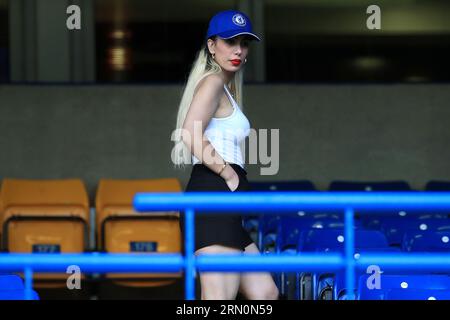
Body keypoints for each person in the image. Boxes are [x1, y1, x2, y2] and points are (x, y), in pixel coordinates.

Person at [172, 10, 279, 300]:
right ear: (211, 45)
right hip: (214, 199)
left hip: (225, 204)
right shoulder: (213, 82)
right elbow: (189, 132)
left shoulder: (226, 87)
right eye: (230, 42)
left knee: (265, 293)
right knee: (220, 301)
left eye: (244, 43)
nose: (238, 50)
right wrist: (228, 173)